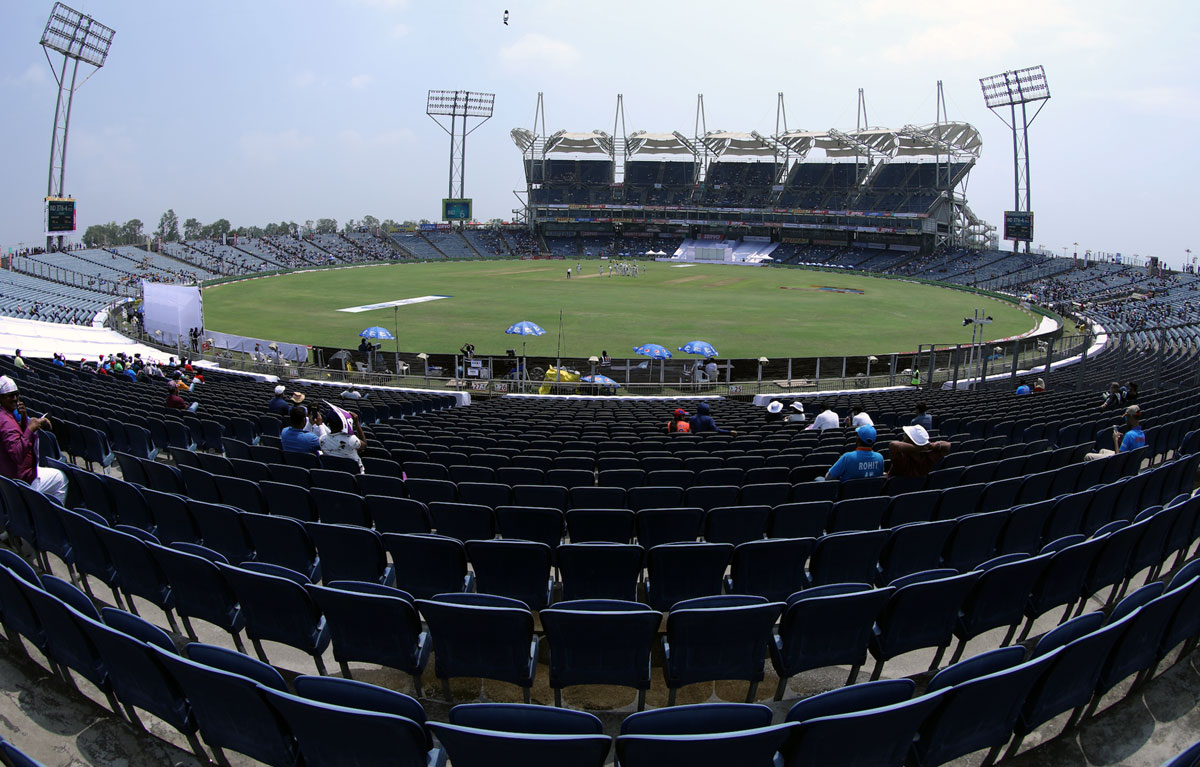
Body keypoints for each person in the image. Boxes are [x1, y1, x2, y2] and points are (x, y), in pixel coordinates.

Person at [0, 376, 67, 505]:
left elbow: (15, 436)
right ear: (1, 397)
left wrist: (25, 419)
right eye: (10, 396)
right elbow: (17, 454)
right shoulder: (6, 422)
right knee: (61, 479)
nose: (15, 399)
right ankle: (54, 519)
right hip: (21, 480)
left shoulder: (6, 415)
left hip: (10, 475)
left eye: (16, 395)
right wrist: (30, 429)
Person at [320, 405, 365, 472]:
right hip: (353, 474)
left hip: (332, 473)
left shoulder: (322, 440)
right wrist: (357, 423)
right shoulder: (351, 440)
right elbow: (364, 445)